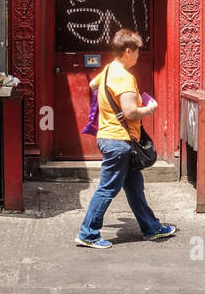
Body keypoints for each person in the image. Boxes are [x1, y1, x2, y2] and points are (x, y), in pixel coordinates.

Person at [76, 30, 177, 249]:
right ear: (128, 51)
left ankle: (151, 228)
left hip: (111, 137)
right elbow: (131, 112)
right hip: (118, 142)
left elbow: (93, 85)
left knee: (134, 187)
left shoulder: (109, 70)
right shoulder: (124, 77)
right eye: (138, 50)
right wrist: (150, 109)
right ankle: (88, 233)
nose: (139, 54)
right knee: (107, 188)